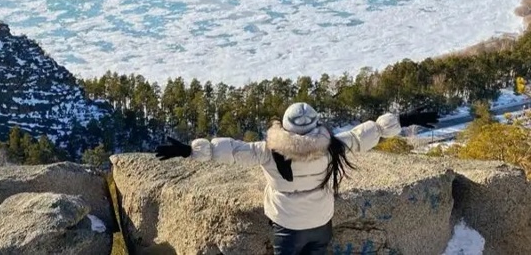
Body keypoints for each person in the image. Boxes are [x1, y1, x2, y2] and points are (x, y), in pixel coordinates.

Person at [154, 103, 439, 255]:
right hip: (321, 223)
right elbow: (365, 134)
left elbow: (230, 150)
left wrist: (190, 150)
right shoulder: (332, 147)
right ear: (316, 125)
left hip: (287, 226)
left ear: (285, 126)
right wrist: (402, 120)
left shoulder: (268, 151)